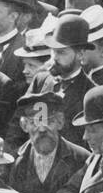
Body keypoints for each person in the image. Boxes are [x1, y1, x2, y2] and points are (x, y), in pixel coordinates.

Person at [36, 14, 99, 148]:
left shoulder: (91, 94)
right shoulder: (40, 80)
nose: (54, 58)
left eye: (62, 52)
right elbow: (18, 124)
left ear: (80, 54)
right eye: (53, 51)